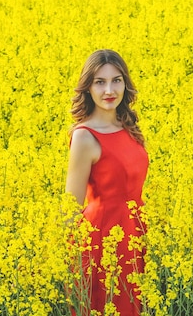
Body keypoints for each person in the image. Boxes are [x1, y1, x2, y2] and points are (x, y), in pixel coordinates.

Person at [66, 49, 148, 316]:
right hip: (102, 240)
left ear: (125, 83)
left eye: (116, 80)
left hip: (135, 233)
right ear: (88, 87)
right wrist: (69, 262)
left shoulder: (129, 127)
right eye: (99, 82)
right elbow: (71, 208)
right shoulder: (84, 137)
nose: (109, 90)